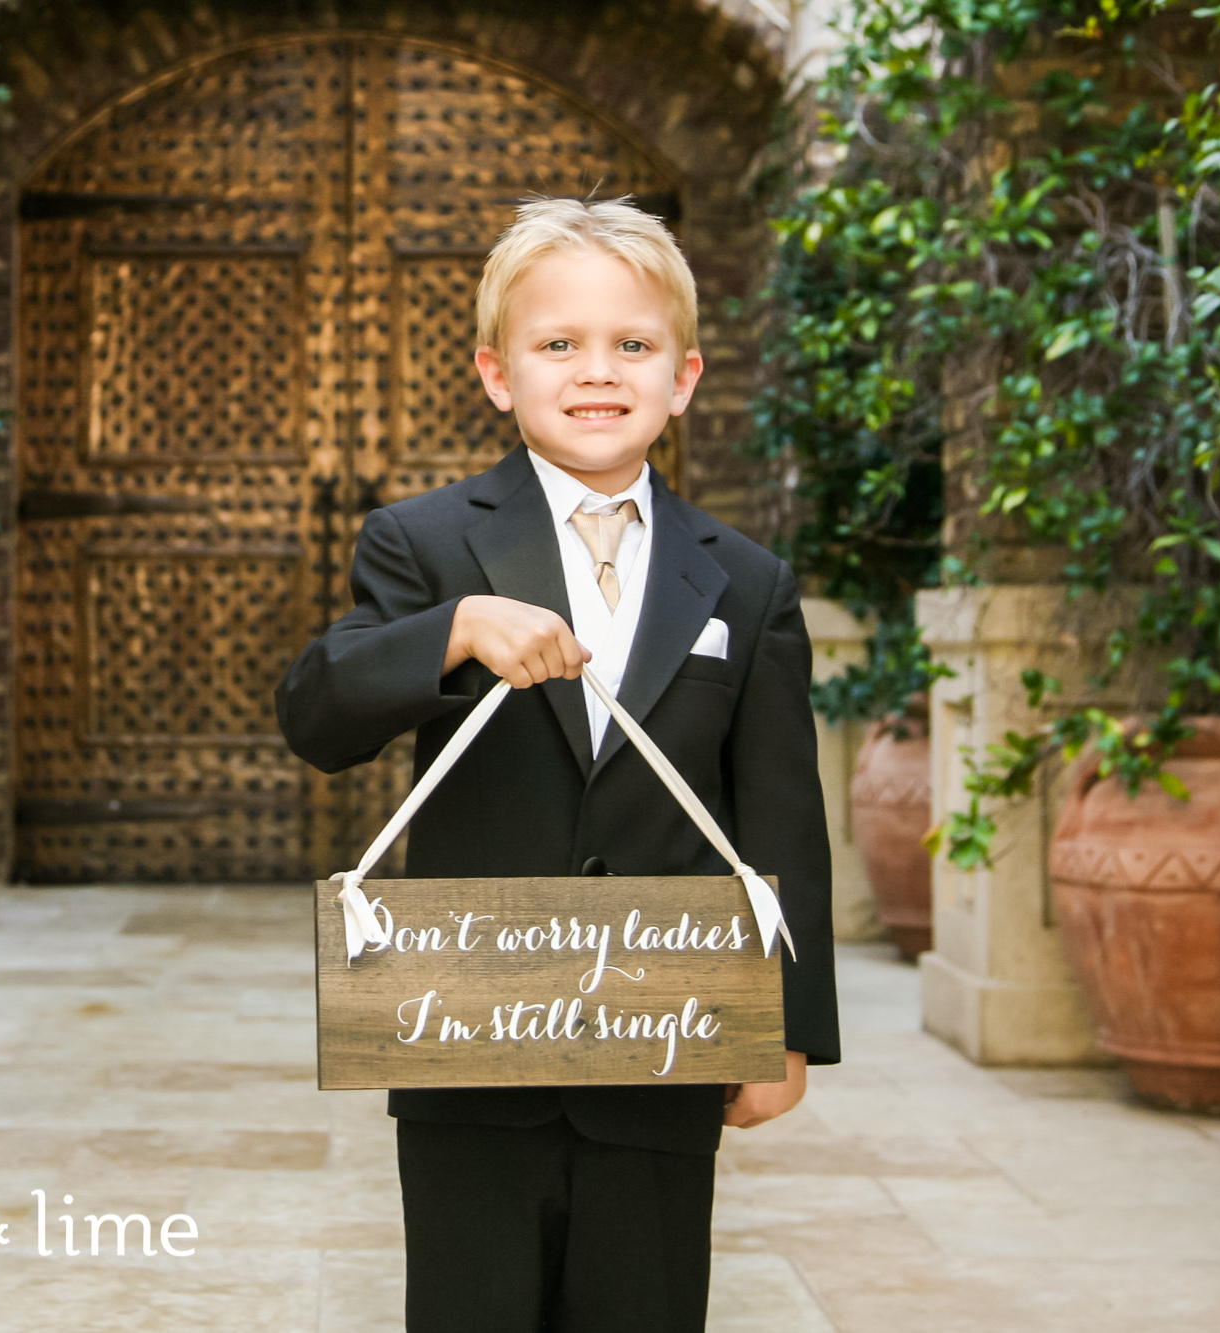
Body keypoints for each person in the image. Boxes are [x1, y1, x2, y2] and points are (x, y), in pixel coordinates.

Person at [275, 197, 839, 1332]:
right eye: (558, 345)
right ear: (497, 374)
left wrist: (786, 1027)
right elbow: (317, 713)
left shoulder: (746, 579)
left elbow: (779, 814)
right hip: (465, 1041)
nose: (597, 372)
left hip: (664, 1039)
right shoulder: (424, 543)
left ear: (680, 378)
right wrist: (451, 631)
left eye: (630, 346)